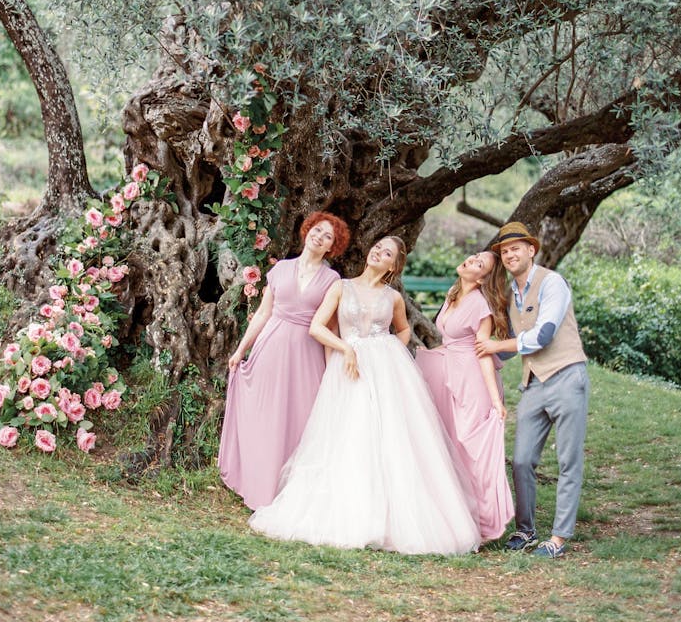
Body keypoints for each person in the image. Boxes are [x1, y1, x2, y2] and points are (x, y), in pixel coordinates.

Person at [249, 237, 481, 555]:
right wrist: (346, 347)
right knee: (351, 433)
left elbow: (403, 331)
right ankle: (351, 511)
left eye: (387, 253)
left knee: (392, 437)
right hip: (348, 366)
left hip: (387, 371)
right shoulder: (341, 287)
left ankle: (395, 517)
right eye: (377, 247)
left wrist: (389, 352)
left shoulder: (393, 297)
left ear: (393, 266)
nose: (377, 252)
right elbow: (317, 327)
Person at [218, 211, 350, 510]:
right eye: (317, 230)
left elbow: (330, 327)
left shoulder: (332, 280)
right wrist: (241, 350)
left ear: (333, 246)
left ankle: (289, 491)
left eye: (328, 236)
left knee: (298, 419)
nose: (320, 237)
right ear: (307, 232)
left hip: (306, 354)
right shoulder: (280, 270)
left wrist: (331, 370)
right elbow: (264, 313)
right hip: (271, 347)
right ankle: (258, 484)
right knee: (266, 416)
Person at [475, 221, 590, 559]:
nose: (510, 254)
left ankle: (558, 538)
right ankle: (525, 531)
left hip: (567, 376)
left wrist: (495, 346)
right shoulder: (511, 294)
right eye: (504, 251)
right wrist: (479, 361)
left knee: (568, 460)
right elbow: (512, 349)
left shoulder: (552, 283)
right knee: (522, 460)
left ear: (531, 250)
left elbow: (543, 335)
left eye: (516, 248)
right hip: (533, 383)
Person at [415, 250, 514, 544]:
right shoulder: (453, 292)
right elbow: (449, 338)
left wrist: (496, 402)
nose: (471, 260)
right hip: (448, 371)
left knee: (471, 447)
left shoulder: (480, 307)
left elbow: (483, 352)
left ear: (482, 277)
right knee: (451, 444)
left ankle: (484, 524)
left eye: (479, 263)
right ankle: (457, 517)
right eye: (474, 257)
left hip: (472, 378)